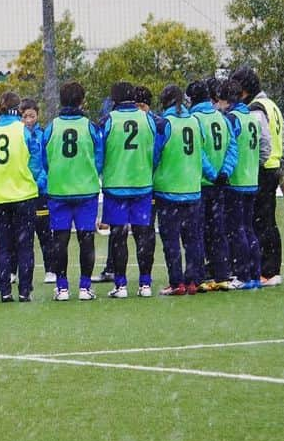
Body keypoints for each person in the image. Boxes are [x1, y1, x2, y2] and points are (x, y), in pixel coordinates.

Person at [152, 85, 217, 296]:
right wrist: (213, 175)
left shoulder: (164, 124)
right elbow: (202, 154)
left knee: (171, 240)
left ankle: (176, 282)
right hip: (193, 190)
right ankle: (193, 281)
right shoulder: (195, 122)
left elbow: (154, 156)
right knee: (193, 240)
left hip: (168, 191)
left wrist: (148, 174)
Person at [231, 67, 284, 286]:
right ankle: (271, 269)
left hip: (262, 170)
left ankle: (266, 270)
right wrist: (277, 157)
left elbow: (263, 142)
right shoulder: (271, 105)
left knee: (259, 222)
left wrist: (258, 161)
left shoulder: (255, 110)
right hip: (273, 168)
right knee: (268, 221)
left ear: (244, 89)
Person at [42, 82, 104, 301]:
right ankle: (85, 288)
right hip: (86, 191)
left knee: (60, 240)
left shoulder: (51, 127)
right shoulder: (90, 126)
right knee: (86, 239)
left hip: (58, 191)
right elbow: (99, 158)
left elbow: (44, 159)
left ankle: (62, 288)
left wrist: (57, 175)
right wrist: (88, 173)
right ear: (81, 101)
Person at [0, 92, 45, 302]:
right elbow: (35, 160)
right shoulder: (23, 130)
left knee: (3, 245)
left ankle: (5, 289)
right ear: (18, 110)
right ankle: (24, 289)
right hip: (23, 194)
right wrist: (35, 181)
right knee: (25, 244)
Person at [101, 82, 158, 298]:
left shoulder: (109, 120)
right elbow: (156, 149)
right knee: (144, 234)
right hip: (142, 183)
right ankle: (145, 283)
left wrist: (104, 170)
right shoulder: (148, 119)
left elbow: (101, 151)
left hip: (116, 185)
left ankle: (121, 284)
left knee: (118, 235)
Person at [186, 78, 237, 291]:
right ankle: (222, 274)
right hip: (220, 184)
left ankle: (200, 277)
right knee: (218, 230)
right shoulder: (222, 118)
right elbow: (233, 147)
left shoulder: (193, 119)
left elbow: (199, 153)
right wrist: (225, 172)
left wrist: (212, 173)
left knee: (197, 232)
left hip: (201, 183)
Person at [218, 79, 265, 290]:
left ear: (226, 99)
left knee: (236, 231)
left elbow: (230, 149)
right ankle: (255, 274)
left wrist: (223, 172)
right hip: (251, 179)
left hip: (236, 181)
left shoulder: (232, 118)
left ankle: (243, 275)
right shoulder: (251, 117)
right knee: (249, 228)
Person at [20, 97, 55, 284]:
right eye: (25, 116)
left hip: (41, 190)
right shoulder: (17, 135)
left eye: (32, 116)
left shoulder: (44, 134)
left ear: (37, 116)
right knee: (23, 234)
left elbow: (47, 162)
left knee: (45, 231)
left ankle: (51, 269)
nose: (28, 120)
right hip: (22, 190)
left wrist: (40, 181)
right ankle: (15, 271)